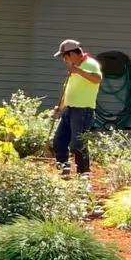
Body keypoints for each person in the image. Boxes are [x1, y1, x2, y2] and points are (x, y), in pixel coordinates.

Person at [52, 38, 103, 176]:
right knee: (59, 140)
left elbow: (97, 79)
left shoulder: (90, 64)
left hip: (83, 111)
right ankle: (64, 167)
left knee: (78, 144)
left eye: (65, 56)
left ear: (72, 54)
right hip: (70, 109)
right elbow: (69, 88)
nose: (64, 59)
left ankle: (83, 173)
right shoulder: (73, 69)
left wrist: (78, 70)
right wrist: (60, 106)